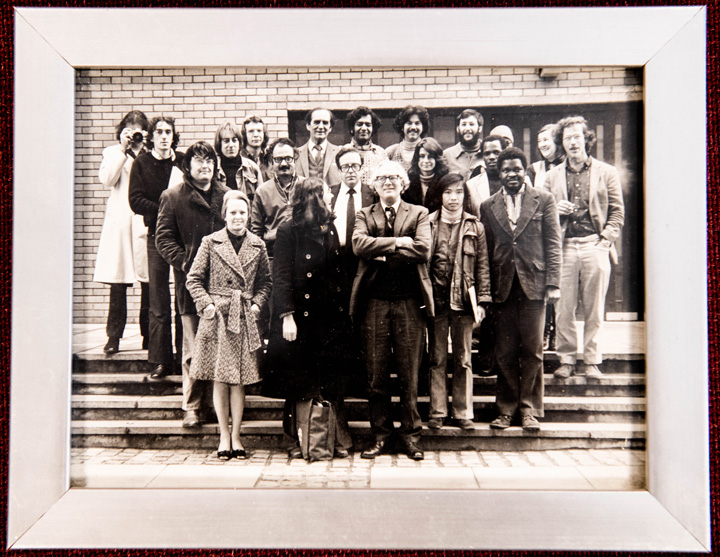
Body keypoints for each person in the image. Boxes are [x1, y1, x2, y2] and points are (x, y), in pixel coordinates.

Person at [264, 177, 356, 459]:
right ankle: (297, 439)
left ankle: (331, 438)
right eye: (326, 193)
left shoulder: (328, 228)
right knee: (299, 381)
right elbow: (280, 276)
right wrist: (287, 316)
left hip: (328, 317)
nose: (330, 196)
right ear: (313, 197)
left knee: (330, 379)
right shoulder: (287, 230)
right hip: (300, 319)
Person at [351, 160, 433, 461]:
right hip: (374, 304)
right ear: (373, 185)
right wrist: (399, 242)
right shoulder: (363, 214)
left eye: (394, 177)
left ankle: (411, 437)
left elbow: (424, 249)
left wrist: (380, 250)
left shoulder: (419, 213)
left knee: (410, 375)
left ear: (403, 184)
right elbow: (359, 244)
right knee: (377, 375)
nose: (388, 182)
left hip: (410, 303)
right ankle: (381, 436)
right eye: (382, 178)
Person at [480, 147, 562, 431]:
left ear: (525, 171)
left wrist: (553, 283)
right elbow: (486, 251)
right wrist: (485, 291)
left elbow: (553, 243)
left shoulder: (544, 199)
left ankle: (529, 409)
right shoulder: (488, 205)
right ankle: (505, 409)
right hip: (502, 287)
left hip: (535, 286)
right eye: (505, 170)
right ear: (498, 174)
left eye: (516, 169)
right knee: (504, 351)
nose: (511, 174)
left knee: (533, 349)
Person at [185, 190, 271, 460]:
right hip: (218, 318)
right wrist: (207, 305)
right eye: (232, 212)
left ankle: (237, 437)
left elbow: (265, 282)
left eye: (242, 212)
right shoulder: (210, 242)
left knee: (240, 380)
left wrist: (257, 304)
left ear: (248, 216)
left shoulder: (258, 244)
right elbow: (193, 279)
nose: (237, 217)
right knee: (221, 379)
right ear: (224, 215)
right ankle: (223, 436)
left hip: (244, 317)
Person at [545, 116, 625, 380]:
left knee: (594, 307)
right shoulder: (550, 177)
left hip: (595, 245)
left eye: (577, 136)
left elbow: (617, 212)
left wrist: (605, 240)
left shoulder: (607, 172)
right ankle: (566, 359)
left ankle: (592, 360)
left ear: (586, 139)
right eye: (567, 138)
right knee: (564, 307)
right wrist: (556, 211)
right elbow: (540, 215)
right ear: (562, 144)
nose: (572, 142)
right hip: (564, 247)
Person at [155, 141, 229, 428]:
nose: (205, 165)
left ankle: (217, 405)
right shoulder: (172, 197)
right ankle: (193, 406)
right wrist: (187, 263)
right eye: (198, 161)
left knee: (222, 346)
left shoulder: (226, 195)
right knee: (194, 348)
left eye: (209, 160)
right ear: (187, 166)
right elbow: (163, 239)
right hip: (191, 286)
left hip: (224, 285)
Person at [427, 173, 491, 430]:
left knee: (464, 359)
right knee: (437, 358)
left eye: (458, 192)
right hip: (436, 301)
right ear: (440, 195)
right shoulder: (428, 222)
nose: (453, 198)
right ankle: (438, 411)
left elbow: (483, 267)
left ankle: (463, 412)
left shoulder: (476, 226)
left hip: (464, 301)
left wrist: (482, 301)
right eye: (448, 192)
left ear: (465, 195)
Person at [128, 116, 185, 380]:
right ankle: (160, 360)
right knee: (158, 300)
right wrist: (164, 210)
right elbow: (135, 200)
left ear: (174, 136)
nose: (164, 136)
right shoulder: (142, 163)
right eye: (159, 132)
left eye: (168, 132)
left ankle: (185, 355)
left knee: (184, 298)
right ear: (151, 136)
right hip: (156, 237)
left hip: (183, 238)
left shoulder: (182, 161)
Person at [93, 110, 150, 354]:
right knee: (118, 283)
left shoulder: (150, 154)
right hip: (120, 223)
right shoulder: (112, 152)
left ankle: (149, 337)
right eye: (130, 130)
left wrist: (143, 149)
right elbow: (107, 179)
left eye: (139, 130)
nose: (135, 135)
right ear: (122, 132)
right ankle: (113, 337)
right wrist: (124, 150)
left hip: (143, 222)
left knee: (149, 283)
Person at [527, 124, 566, 351]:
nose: (542, 144)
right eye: (539, 140)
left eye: (547, 140)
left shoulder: (566, 167)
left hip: (565, 234)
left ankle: (557, 335)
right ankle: (546, 331)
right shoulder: (535, 169)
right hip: (542, 234)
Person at [250, 138, 306, 259]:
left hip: (303, 254)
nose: (284, 164)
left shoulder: (307, 186)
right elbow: (256, 231)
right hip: (274, 255)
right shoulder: (262, 191)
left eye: (288, 158)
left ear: (295, 159)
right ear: (272, 161)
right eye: (278, 159)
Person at [330, 146, 376, 281]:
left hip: (365, 261)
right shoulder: (329, 194)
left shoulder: (373, 195)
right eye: (345, 167)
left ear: (361, 169)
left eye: (355, 166)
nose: (351, 171)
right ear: (339, 171)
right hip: (337, 261)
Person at [214, 122, 262, 202]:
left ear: (239, 143)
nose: (231, 145)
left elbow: (261, 200)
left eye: (234, 140)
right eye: (226, 141)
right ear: (219, 144)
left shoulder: (252, 168)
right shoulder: (214, 169)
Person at [466, 134, 512, 214]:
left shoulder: (517, 180)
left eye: (496, 152)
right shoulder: (471, 185)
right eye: (487, 153)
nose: (491, 157)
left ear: (504, 153)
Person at [296, 107, 342, 186]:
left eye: (325, 123)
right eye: (316, 122)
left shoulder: (339, 153)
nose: (321, 127)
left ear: (330, 128)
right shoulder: (296, 154)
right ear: (308, 126)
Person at [402, 137, 449, 213]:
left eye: (430, 156)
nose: (426, 161)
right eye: (422, 156)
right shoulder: (408, 180)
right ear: (417, 159)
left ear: (437, 159)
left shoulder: (445, 180)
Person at [345, 106, 388, 186]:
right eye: (359, 124)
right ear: (352, 128)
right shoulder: (343, 151)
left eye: (368, 125)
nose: (364, 128)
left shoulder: (381, 153)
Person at [443, 109, 485, 181]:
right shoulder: (446, 156)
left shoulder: (487, 153)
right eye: (464, 124)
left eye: (471, 124)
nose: (467, 128)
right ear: (457, 129)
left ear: (480, 128)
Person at [385, 105, 430, 171]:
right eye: (409, 123)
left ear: (423, 127)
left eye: (417, 123)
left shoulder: (429, 150)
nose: (413, 127)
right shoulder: (390, 152)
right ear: (402, 127)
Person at [241, 115, 271, 182]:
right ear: (244, 135)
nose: (256, 135)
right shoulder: (240, 159)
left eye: (259, 131)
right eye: (251, 131)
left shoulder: (269, 160)